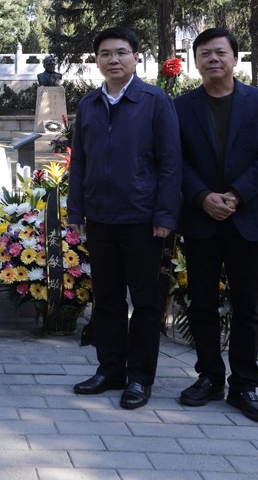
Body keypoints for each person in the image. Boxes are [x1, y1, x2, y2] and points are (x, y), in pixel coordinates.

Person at [67, 27, 181, 409]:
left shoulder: (154, 100)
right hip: (100, 219)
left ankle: (140, 377)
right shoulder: (88, 105)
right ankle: (110, 369)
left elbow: (169, 164)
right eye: (105, 54)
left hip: (143, 220)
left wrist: (165, 213)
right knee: (107, 298)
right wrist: (76, 211)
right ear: (96, 61)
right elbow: (78, 163)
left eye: (121, 52)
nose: (113, 59)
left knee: (146, 302)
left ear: (135, 57)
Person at [174, 27, 258, 423]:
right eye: (205, 54)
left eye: (220, 52)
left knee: (247, 308)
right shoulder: (181, 107)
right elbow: (176, 161)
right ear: (196, 61)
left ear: (235, 58)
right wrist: (203, 197)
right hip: (201, 221)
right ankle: (209, 377)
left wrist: (233, 196)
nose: (213, 59)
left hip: (247, 219)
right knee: (201, 303)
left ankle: (244, 385)